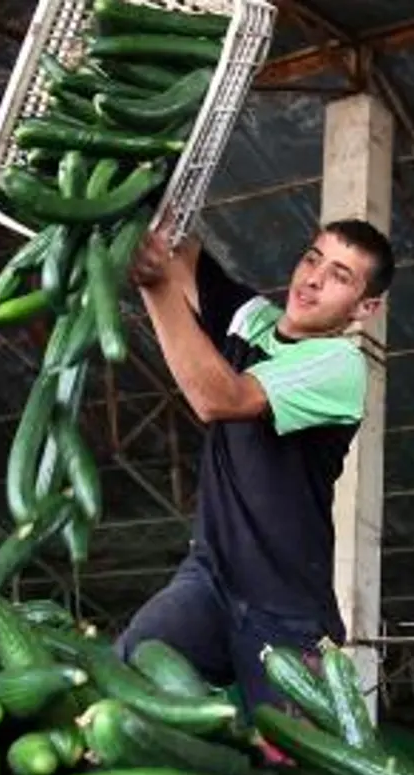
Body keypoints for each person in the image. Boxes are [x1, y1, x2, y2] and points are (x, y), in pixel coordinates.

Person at [112, 218, 395, 719]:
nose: (312, 279)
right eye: (312, 258)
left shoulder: (339, 366)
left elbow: (220, 397)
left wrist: (153, 286)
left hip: (287, 614)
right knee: (132, 667)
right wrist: (146, 202)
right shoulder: (252, 319)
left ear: (364, 308)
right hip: (210, 581)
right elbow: (182, 250)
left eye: (340, 276)